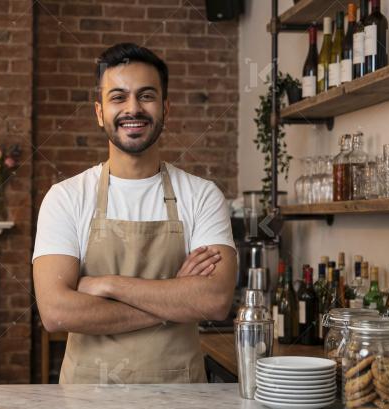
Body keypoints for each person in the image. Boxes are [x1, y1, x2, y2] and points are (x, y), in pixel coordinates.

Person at [32, 42, 237, 384]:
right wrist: (175, 296)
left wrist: (106, 284)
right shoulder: (65, 198)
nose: (133, 108)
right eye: (118, 97)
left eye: (146, 96)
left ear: (165, 107)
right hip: (87, 403)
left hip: (182, 401)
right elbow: (55, 312)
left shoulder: (202, 195)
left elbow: (214, 301)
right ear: (99, 113)